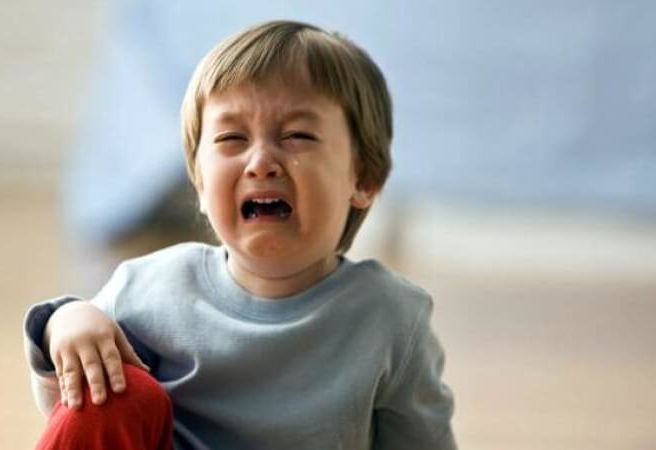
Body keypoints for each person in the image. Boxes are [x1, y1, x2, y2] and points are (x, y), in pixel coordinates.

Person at [24, 20, 456, 449]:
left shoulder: (390, 317)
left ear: (362, 179)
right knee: (114, 392)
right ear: (199, 183)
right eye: (232, 137)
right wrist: (67, 320)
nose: (261, 162)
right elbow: (70, 401)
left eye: (297, 135)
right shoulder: (150, 289)